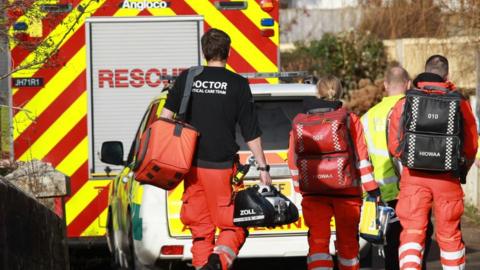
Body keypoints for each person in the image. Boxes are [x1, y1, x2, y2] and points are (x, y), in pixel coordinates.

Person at [160, 28, 272, 270]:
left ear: (204, 52)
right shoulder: (238, 84)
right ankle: (219, 261)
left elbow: (164, 119)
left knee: (201, 231)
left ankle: (205, 266)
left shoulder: (187, 78)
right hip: (222, 169)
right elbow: (250, 131)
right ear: (228, 52)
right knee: (235, 224)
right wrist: (263, 167)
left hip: (191, 167)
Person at [388, 55, 478, 270]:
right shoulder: (460, 103)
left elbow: (394, 145)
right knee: (449, 236)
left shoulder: (405, 102)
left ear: (424, 71)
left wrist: (411, 160)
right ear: (447, 75)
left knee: (411, 233)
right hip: (447, 179)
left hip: (414, 179)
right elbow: (471, 144)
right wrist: (460, 168)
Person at [287, 75, 380, 270]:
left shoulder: (301, 121)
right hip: (347, 195)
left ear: (317, 93)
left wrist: (300, 189)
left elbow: (293, 161)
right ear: (339, 92)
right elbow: (362, 159)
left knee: (318, 244)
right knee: (348, 246)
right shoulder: (350, 119)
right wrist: (372, 190)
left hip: (314, 194)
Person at [360, 66, 409, 270]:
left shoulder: (366, 118)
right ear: (408, 84)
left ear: (385, 85)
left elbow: (362, 159)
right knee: (411, 247)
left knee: (389, 251)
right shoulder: (411, 110)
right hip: (406, 190)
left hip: (377, 194)